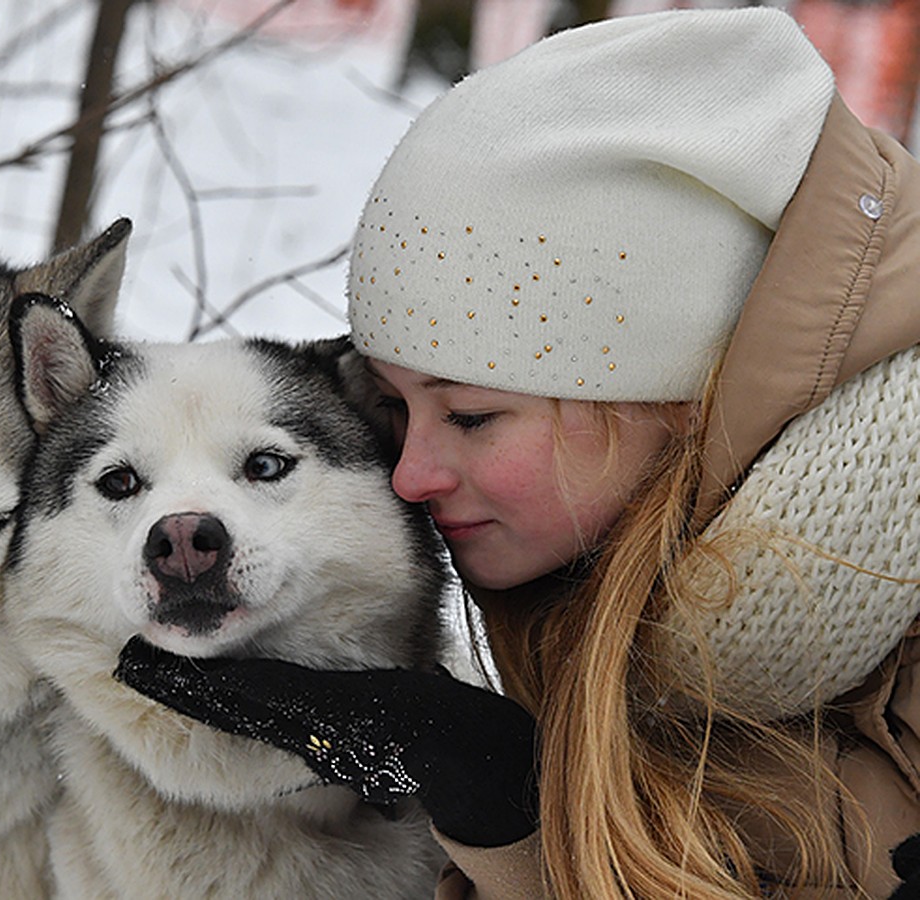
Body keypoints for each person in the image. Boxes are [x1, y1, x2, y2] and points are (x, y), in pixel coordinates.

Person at [117, 7, 920, 897]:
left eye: (469, 417)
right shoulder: (606, 582)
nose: (411, 474)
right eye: (393, 406)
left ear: (685, 400)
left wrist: (517, 811)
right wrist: (514, 811)